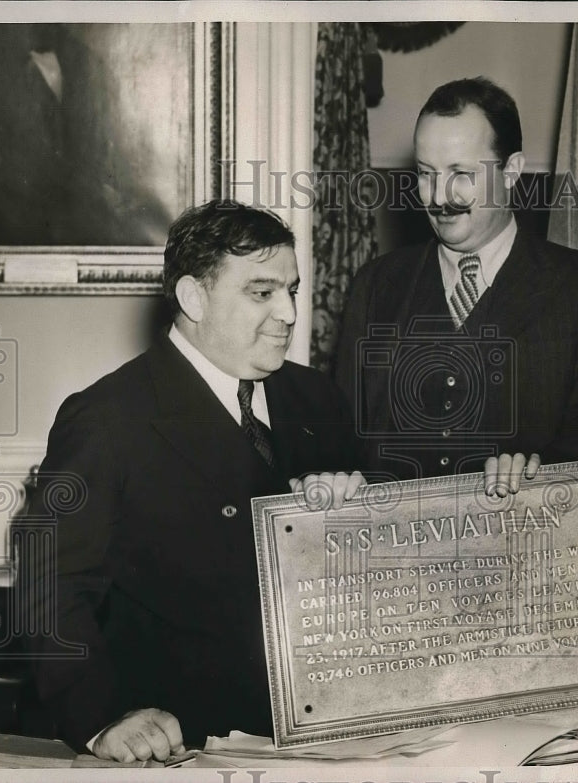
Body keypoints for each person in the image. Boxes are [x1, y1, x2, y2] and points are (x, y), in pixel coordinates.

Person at [23, 200, 364, 762]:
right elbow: (48, 587)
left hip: (328, 734)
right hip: (183, 743)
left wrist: (359, 509)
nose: (287, 313)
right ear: (192, 298)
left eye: (292, 290)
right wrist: (100, 720)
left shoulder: (316, 399)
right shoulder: (108, 419)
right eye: (262, 292)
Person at [335, 77, 578, 489]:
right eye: (426, 174)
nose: (439, 196)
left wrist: (537, 470)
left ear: (511, 171)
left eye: (461, 173)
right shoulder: (375, 286)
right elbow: (340, 436)